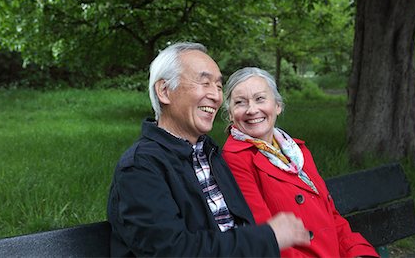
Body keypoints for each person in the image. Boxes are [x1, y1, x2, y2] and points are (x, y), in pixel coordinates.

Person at [107, 42, 311, 257]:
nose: (216, 96)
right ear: (165, 91)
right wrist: (267, 237)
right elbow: (173, 252)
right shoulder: (140, 167)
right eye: (204, 83)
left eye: (219, 86)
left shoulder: (209, 153)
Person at [222, 67, 380, 258]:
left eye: (260, 99)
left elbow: (331, 217)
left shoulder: (296, 151)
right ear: (230, 113)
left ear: (277, 106)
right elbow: (267, 238)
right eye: (240, 102)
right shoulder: (235, 159)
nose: (252, 109)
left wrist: (357, 252)